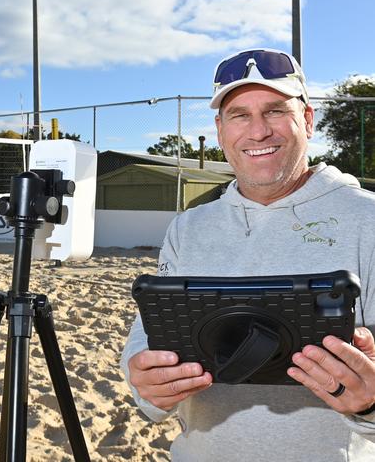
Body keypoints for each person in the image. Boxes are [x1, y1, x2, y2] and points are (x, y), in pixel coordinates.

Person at [121, 48, 375, 461]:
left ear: (307, 120)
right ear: (220, 131)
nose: (258, 132)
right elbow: (144, 339)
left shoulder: (368, 219)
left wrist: (370, 403)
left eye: (275, 111)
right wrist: (146, 385)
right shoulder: (188, 227)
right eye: (240, 115)